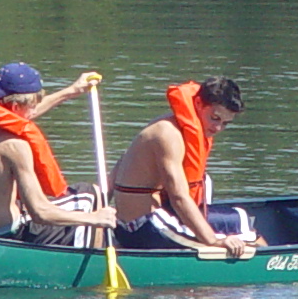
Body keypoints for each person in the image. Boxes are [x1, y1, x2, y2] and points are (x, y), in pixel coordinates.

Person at [0, 62, 108, 246]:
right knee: (91, 194)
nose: (35, 109)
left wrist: (71, 91)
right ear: (17, 105)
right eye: (33, 104)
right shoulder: (16, 147)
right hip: (7, 234)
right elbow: (40, 212)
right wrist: (95, 218)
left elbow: (14, 118)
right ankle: (95, 259)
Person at [110, 77, 259, 255]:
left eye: (225, 123)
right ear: (198, 103)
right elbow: (179, 198)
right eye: (215, 118)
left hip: (160, 217)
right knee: (237, 232)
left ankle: (268, 263)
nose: (218, 128)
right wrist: (214, 241)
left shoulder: (173, 125)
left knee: (240, 219)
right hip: (142, 227)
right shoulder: (168, 134)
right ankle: (272, 266)